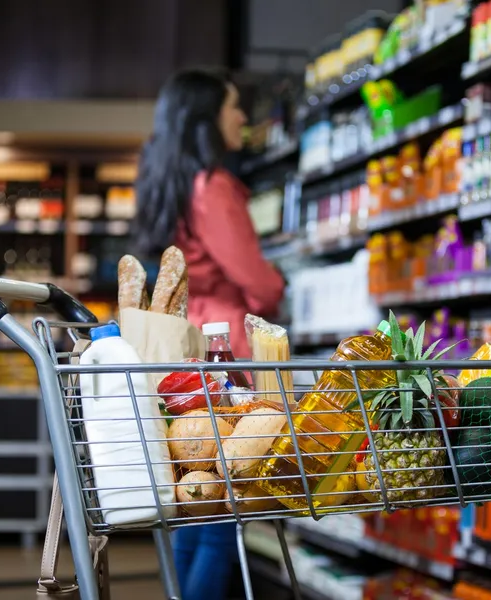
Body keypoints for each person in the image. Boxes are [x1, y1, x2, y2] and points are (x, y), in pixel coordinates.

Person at [131, 70, 285, 600]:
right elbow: (259, 283)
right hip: (226, 358)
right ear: (206, 118)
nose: (243, 117)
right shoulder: (213, 187)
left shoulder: (170, 184)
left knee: (194, 502)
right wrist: (278, 286)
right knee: (224, 515)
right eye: (235, 107)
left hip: (184, 353)